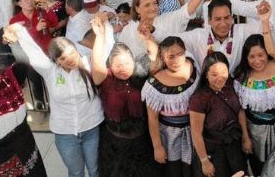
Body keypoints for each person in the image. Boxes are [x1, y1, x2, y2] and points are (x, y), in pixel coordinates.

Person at [4, 25, 104, 177]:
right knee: (76, 172)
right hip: (65, 134)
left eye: (72, 53)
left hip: (92, 129)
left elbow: (104, 49)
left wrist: (103, 29)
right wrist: (18, 31)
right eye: (63, 58)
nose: (70, 59)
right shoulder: (50, 71)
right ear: (56, 61)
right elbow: (33, 52)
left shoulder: (89, 64)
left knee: (95, 170)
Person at [88, 14, 157, 177]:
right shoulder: (105, 79)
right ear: (110, 65)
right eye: (118, 64)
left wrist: (148, 38)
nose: (123, 68)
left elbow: (154, 56)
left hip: (141, 140)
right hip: (114, 142)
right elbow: (97, 63)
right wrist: (100, 36)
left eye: (127, 63)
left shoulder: (139, 72)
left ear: (133, 61)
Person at [234, 34, 275, 174]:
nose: (257, 61)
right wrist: (245, 137)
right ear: (246, 58)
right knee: (260, 165)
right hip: (256, 131)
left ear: (267, 53)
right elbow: (240, 110)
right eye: (252, 57)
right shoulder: (241, 77)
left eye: (261, 55)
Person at [188, 51, 252, 177]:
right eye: (214, 74)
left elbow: (239, 110)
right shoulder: (199, 99)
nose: (220, 77)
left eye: (224, 72)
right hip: (214, 151)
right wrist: (205, 162)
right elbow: (196, 134)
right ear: (206, 74)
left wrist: (246, 137)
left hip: (235, 147)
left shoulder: (230, 85)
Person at [143, 36, 197, 177]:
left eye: (180, 54)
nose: (176, 60)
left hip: (194, 130)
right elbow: (152, 119)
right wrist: (157, 146)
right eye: (171, 56)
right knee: (174, 171)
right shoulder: (153, 84)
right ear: (163, 57)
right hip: (169, 135)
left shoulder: (192, 67)